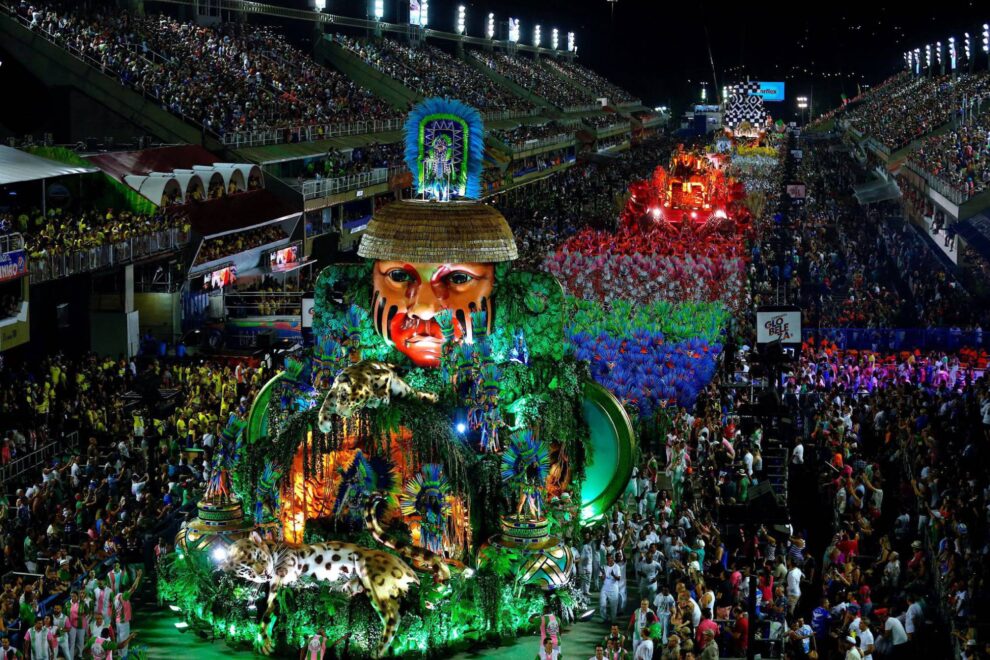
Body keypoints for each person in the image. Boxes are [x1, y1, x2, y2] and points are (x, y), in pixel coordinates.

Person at [600, 555, 623, 623]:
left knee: (613, 606)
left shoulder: (616, 567)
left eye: (610, 559)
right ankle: (605, 618)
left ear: (613, 559)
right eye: (607, 559)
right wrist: (603, 574)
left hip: (613, 587)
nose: (608, 561)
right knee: (602, 604)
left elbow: (618, 578)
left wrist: (613, 575)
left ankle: (613, 621)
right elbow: (602, 579)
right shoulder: (603, 566)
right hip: (605, 587)